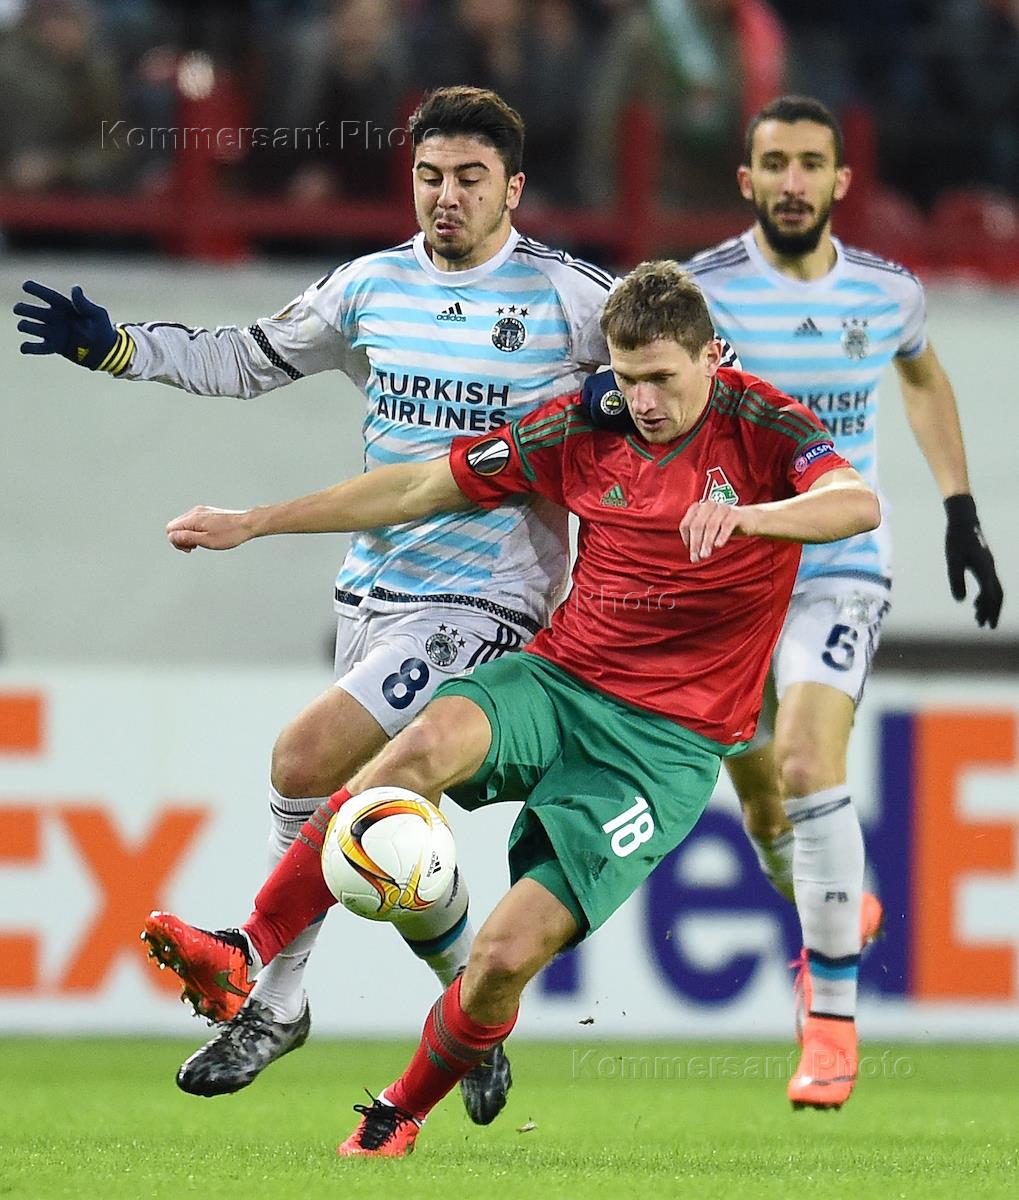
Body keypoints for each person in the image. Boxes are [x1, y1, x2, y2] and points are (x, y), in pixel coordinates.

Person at [146, 259, 880, 1155]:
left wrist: (753, 518)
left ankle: (398, 1111)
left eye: (661, 378)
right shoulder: (582, 423)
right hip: (559, 679)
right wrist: (256, 520)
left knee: (501, 959)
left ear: (710, 357)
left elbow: (854, 502)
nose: (642, 401)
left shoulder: (763, 425)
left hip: (661, 745)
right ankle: (248, 947)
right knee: (411, 755)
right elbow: (417, 486)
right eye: (626, 376)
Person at [12, 85, 618, 1122]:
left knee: (302, 758)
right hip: (372, 591)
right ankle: (470, 1015)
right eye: (429, 176)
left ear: (513, 188)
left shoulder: (573, 299)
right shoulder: (370, 286)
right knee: (391, 835)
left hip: (490, 598)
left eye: (470, 179)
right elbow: (246, 358)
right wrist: (119, 348)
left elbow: (685, 378)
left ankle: (270, 994)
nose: (446, 196)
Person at [678, 94, 1003, 1107]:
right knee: (761, 797)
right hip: (729, 574)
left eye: (808, 164)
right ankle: (833, 902)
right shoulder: (698, 293)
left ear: (838, 180)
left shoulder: (885, 292)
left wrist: (959, 511)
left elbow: (923, 380)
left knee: (808, 760)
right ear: (746, 180)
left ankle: (829, 1022)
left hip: (838, 563)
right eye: (773, 163)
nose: (791, 182)